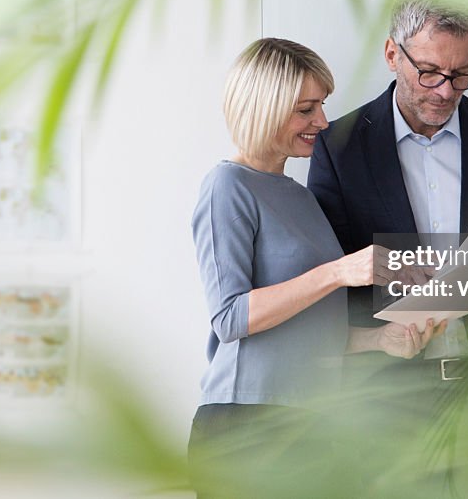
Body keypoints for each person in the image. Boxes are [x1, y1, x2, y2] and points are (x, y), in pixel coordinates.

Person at [188, 37, 442, 499]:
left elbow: (304, 330)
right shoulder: (227, 186)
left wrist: (378, 340)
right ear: (264, 107)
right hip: (249, 424)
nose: (322, 122)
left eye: (321, 105)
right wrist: (340, 272)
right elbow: (230, 319)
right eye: (306, 109)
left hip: (313, 420)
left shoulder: (301, 196)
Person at [307, 0, 468, 383]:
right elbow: (327, 279)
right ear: (393, 55)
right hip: (384, 394)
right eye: (429, 71)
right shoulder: (339, 148)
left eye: (461, 73)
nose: (446, 91)